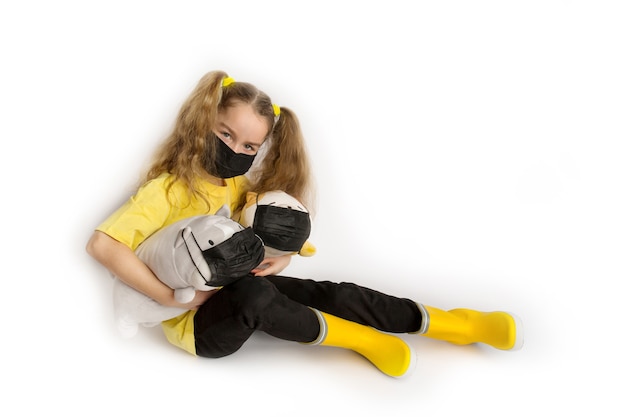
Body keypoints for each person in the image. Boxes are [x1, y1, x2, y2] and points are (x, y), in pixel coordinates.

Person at [86, 70, 523, 378]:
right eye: (224, 134)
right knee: (258, 296)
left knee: (328, 293)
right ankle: (364, 342)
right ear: (205, 123)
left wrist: (283, 257)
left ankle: (457, 324)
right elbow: (103, 246)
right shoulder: (167, 189)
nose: (234, 149)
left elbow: (255, 228)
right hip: (197, 328)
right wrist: (174, 298)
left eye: (248, 144)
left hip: (238, 285)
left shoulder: (236, 185)